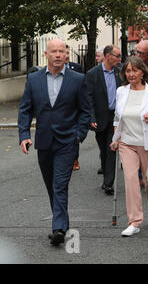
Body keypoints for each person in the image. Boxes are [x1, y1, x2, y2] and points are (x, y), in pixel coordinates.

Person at [18, 38, 90, 246]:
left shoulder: (77, 79)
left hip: (68, 141)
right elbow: (25, 109)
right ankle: (63, 222)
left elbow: (85, 111)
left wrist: (79, 134)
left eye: (61, 51)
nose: (58, 55)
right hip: (44, 141)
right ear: (46, 55)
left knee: (59, 184)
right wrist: (24, 135)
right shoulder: (34, 79)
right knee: (51, 185)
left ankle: (58, 229)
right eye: (54, 51)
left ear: (66, 55)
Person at [110, 56, 148, 237]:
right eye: (128, 71)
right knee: (130, 180)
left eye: (135, 70)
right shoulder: (121, 91)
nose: (131, 74)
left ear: (142, 72)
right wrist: (116, 137)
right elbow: (118, 117)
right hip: (127, 144)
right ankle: (134, 221)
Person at [85, 45, 122, 195]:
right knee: (103, 149)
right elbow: (88, 98)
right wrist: (91, 117)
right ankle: (106, 174)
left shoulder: (120, 73)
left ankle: (109, 183)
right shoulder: (93, 74)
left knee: (111, 149)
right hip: (100, 117)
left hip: (116, 116)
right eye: (117, 56)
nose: (120, 59)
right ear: (108, 56)